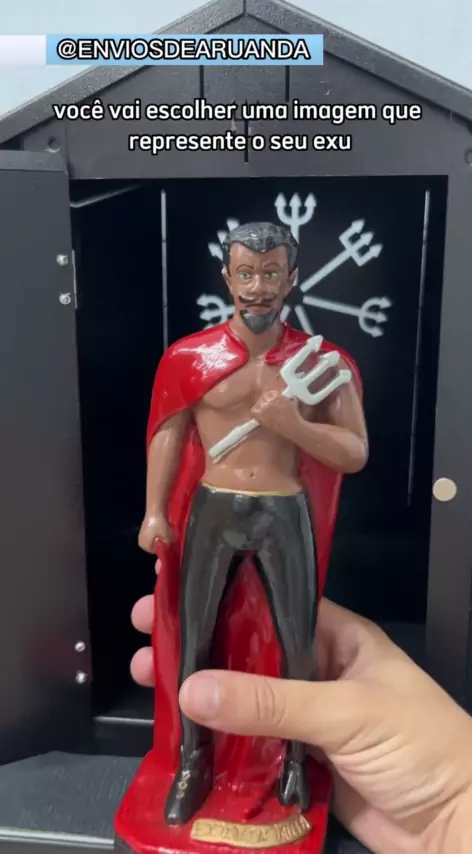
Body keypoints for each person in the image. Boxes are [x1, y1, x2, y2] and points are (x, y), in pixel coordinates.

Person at [138, 221, 368, 823]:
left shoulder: (325, 363)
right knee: (194, 636)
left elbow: (353, 452)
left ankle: (294, 758)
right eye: (246, 273)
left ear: (291, 279)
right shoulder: (189, 358)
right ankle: (193, 759)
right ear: (227, 277)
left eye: (270, 274)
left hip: (283, 509)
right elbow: (168, 433)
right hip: (213, 508)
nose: (258, 287)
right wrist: (156, 509)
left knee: (296, 640)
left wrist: (293, 426)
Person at [131, 585, 472, 854]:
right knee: (192, 629)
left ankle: (293, 767)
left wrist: (460, 798)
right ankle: (193, 763)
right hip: (213, 515)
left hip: (285, 517)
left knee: (296, 637)